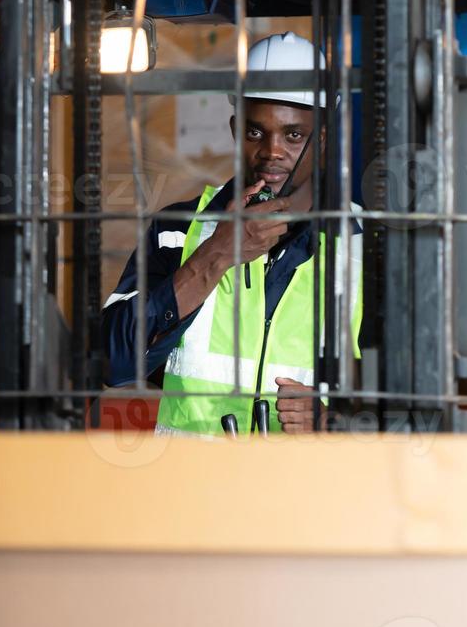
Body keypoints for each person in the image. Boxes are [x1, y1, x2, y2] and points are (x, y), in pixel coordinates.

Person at [102, 31, 363, 437]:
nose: (271, 151)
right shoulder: (178, 228)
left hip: (306, 493)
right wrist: (216, 254)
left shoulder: (367, 245)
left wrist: (336, 422)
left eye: (294, 135)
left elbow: (413, 409)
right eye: (255, 132)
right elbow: (112, 361)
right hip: (194, 491)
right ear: (234, 128)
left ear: (324, 137)